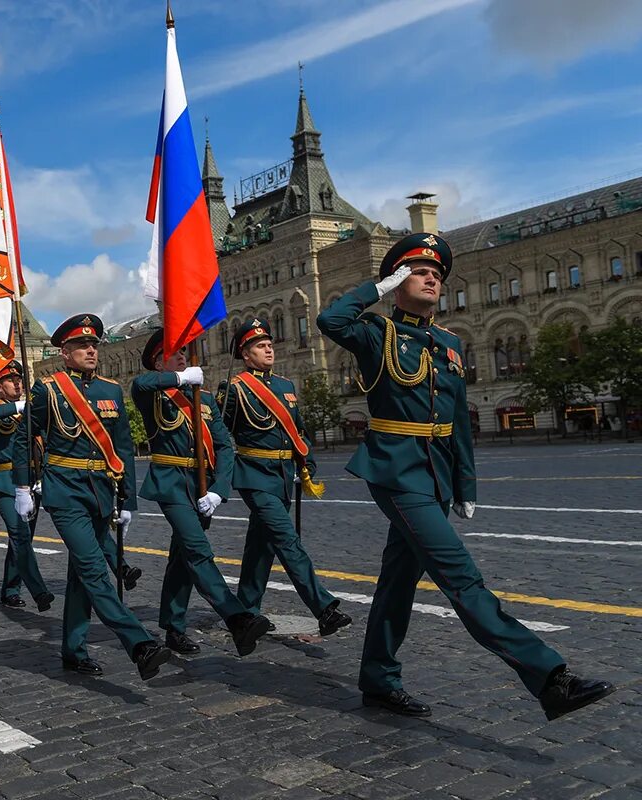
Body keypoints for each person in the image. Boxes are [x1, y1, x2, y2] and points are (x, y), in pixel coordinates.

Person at [317, 231, 615, 721]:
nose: (432, 278)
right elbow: (331, 319)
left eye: (437, 274)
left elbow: (457, 420)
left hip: (434, 475)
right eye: (419, 272)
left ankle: (377, 679)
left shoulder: (450, 344)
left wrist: (465, 484)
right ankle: (549, 678)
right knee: (462, 578)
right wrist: (378, 286)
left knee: (397, 583)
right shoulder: (377, 334)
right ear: (397, 281)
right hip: (395, 469)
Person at [12, 314, 171, 680]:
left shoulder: (110, 390)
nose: (91, 351)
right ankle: (139, 643)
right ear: (65, 353)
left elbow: (123, 448)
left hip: (100, 489)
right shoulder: (47, 391)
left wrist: (126, 501)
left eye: (94, 345)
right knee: (95, 568)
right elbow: (25, 438)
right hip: (64, 490)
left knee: (80, 576)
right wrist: (23, 486)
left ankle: (73, 648)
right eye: (82, 346)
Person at [131, 330, 269, 657]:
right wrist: (178, 377)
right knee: (197, 549)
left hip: (202, 486)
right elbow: (140, 385)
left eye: (184, 351)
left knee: (183, 559)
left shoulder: (203, 398)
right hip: (170, 481)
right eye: (173, 352)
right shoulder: (155, 394)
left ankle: (173, 626)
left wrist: (219, 491)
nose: (182, 355)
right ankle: (236, 617)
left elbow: (224, 446)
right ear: (156, 361)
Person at [217, 318, 351, 640]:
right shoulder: (234, 390)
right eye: (260, 347)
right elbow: (221, 437)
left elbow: (299, 431)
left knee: (261, 546)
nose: (268, 350)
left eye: (269, 345)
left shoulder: (286, 387)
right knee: (287, 539)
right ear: (245, 355)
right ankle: (324, 608)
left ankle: (246, 612)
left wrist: (307, 462)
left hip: (281, 476)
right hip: (253, 475)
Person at [0, 360, 53, 610]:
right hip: (6, 480)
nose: (18, 383)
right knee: (19, 534)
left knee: (21, 540)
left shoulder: (28, 411)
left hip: (32, 478)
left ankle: (10, 589)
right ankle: (39, 591)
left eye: (20, 380)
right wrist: (20, 406)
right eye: (11, 380)